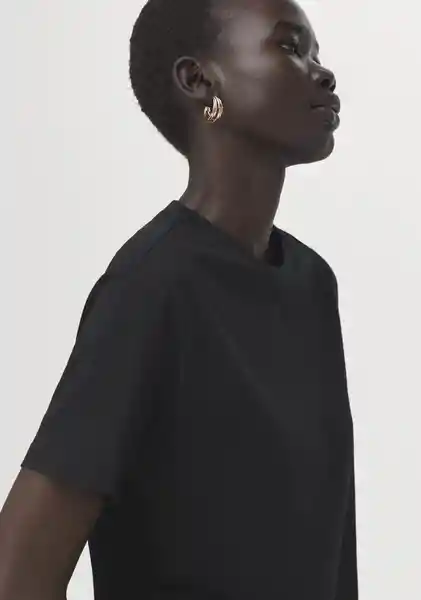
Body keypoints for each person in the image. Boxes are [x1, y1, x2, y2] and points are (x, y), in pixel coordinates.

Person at [0, 0, 358, 599]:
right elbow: (17, 574)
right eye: (290, 47)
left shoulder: (312, 284)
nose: (322, 72)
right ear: (199, 80)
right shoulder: (153, 286)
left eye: (317, 53)